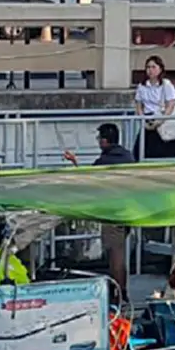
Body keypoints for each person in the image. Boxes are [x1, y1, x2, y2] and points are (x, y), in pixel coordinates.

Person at [63, 123, 135, 302]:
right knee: (120, 251)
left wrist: (74, 162)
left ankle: (119, 292)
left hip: (112, 212)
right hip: (129, 210)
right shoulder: (128, 156)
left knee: (115, 254)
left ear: (104, 140)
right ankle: (121, 288)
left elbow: (88, 181)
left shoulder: (104, 162)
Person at [133, 55, 175, 161]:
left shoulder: (166, 84)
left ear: (160, 69)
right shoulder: (142, 86)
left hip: (163, 119)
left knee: (168, 149)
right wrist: (142, 118)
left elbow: (170, 104)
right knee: (142, 149)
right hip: (147, 119)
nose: (150, 70)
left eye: (153, 67)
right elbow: (139, 104)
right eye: (148, 67)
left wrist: (161, 120)